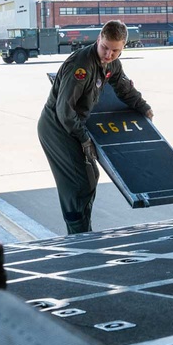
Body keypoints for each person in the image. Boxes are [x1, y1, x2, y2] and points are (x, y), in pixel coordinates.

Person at [38, 20, 153, 234]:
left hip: (73, 124)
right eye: (105, 47)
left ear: (123, 47)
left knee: (90, 178)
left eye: (115, 50)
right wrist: (84, 139)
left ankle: (83, 230)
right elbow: (65, 110)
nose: (108, 54)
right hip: (57, 127)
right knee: (78, 183)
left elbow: (124, 88)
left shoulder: (112, 63)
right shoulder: (81, 66)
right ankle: (78, 234)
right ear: (98, 39)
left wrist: (143, 107)